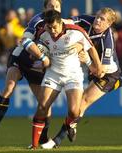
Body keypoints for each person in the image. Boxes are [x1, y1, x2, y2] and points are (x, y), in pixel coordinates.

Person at [41, 7, 122, 149]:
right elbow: (66, 21)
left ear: (109, 25)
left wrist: (86, 58)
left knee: (81, 103)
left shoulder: (108, 40)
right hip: (92, 68)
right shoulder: (87, 20)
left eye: (103, 19)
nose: (98, 20)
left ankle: (56, 141)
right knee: (78, 108)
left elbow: (100, 71)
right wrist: (46, 22)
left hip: (107, 72)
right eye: (98, 16)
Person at [0, 0, 61, 145]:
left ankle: (43, 137)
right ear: (45, 8)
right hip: (21, 59)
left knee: (44, 105)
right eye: (51, 5)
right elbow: (25, 40)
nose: (54, 8)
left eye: (57, 6)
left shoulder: (64, 25)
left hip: (37, 67)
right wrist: (42, 56)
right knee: (9, 87)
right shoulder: (38, 21)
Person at [29, 9, 103, 149]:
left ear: (60, 22)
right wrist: (39, 57)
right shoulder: (43, 34)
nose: (52, 31)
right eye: (49, 27)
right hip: (53, 74)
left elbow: (91, 48)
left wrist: (98, 66)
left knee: (75, 111)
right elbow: (38, 50)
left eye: (54, 27)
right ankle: (34, 145)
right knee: (42, 107)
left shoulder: (76, 31)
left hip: (73, 75)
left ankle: (70, 124)